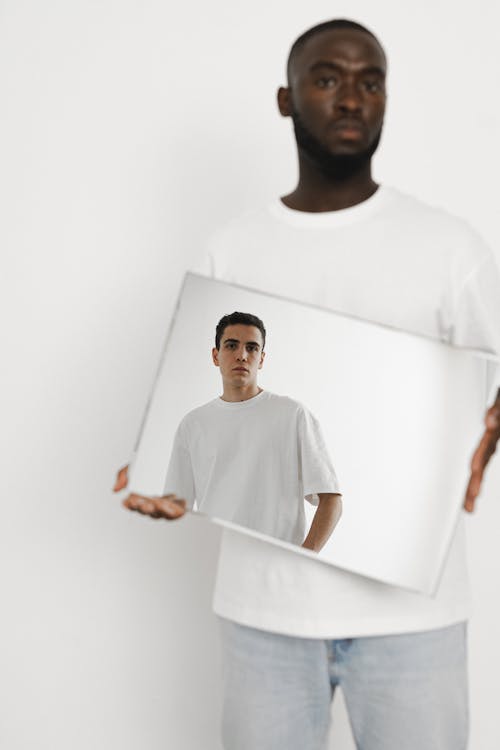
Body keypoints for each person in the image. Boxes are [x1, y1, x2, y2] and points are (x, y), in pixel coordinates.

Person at [115, 18, 500, 750]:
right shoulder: (232, 249)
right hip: (264, 617)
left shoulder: (452, 249)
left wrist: (490, 423)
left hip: (413, 619)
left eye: (371, 80)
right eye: (328, 78)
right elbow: (198, 417)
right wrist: (164, 469)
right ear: (287, 100)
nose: (353, 96)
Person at [124, 311, 343, 553]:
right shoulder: (193, 424)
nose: (242, 355)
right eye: (231, 346)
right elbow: (176, 514)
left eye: (252, 348)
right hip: (212, 565)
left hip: (274, 573)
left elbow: (331, 500)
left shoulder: (293, 415)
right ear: (215, 355)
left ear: (261, 359)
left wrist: (301, 559)